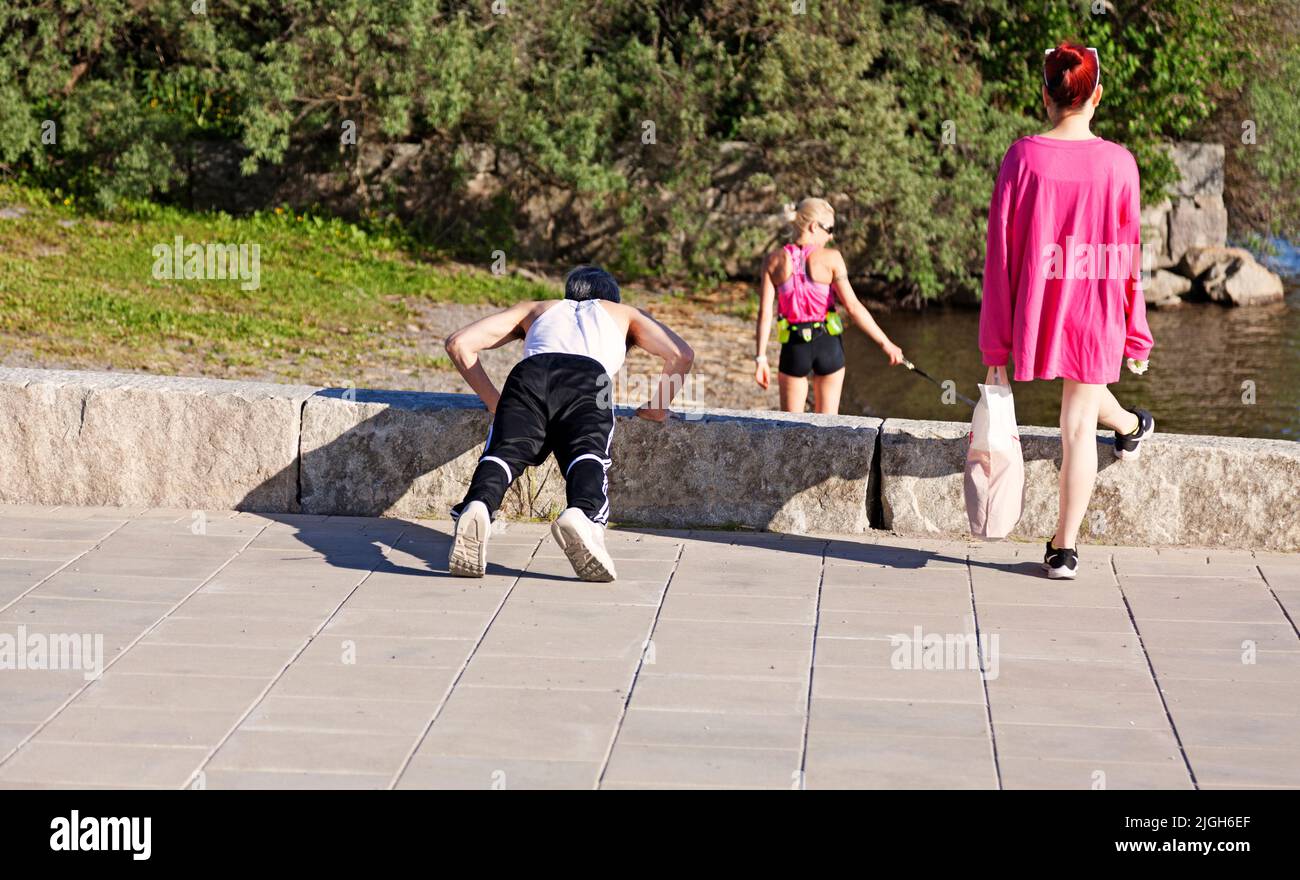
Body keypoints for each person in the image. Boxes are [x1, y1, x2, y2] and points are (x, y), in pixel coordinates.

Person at [980, 42, 1155, 580]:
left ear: (1046, 95)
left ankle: (1128, 429)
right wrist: (1136, 333)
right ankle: (1065, 549)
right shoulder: (1120, 163)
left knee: (1075, 417)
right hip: (1097, 306)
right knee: (1078, 425)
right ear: (1096, 96)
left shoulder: (1022, 157)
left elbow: (1001, 253)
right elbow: (1129, 253)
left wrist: (995, 343)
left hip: (1039, 303)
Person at [443, 265, 694, 582]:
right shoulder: (624, 312)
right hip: (588, 378)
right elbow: (681, 355)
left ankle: (478, 506)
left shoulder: (537, 308)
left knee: (505, 452)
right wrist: (657, 408)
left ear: (569, 293)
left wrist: (496, 401)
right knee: (587, 454)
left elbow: (458, 343)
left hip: (529, 375)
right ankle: (583, 516)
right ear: (611, 297)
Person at [753, 197, 904, 414]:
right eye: (829, 228)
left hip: (794, 348)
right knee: (828, 431)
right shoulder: (832, 258)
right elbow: (853, 306)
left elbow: (765, 313)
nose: (831, 236)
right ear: (814, 227)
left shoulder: (773, 260)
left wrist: (761, 359)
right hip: (828, 346)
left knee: (791, 431)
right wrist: (886, 344)